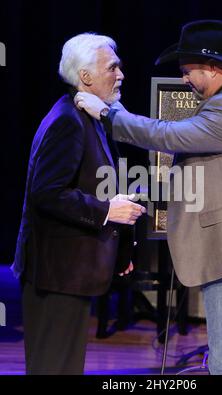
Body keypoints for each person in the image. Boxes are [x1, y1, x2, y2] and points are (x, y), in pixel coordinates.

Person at [74, 20, 222, 375]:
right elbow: (210, 172)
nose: (184, 79)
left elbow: (170, 135)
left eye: (188, 71)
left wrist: (111, 115)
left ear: (214, 67)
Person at [12, 33, 146, 375]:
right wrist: (107, 211)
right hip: (55, 274)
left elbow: (85, 186)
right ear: (85, 77)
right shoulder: (67, 121)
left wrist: (119, 250)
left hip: (69, 274)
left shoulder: (87, 117)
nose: (121, 75)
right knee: (53, 368)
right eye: (113, 67)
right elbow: (47, 193)